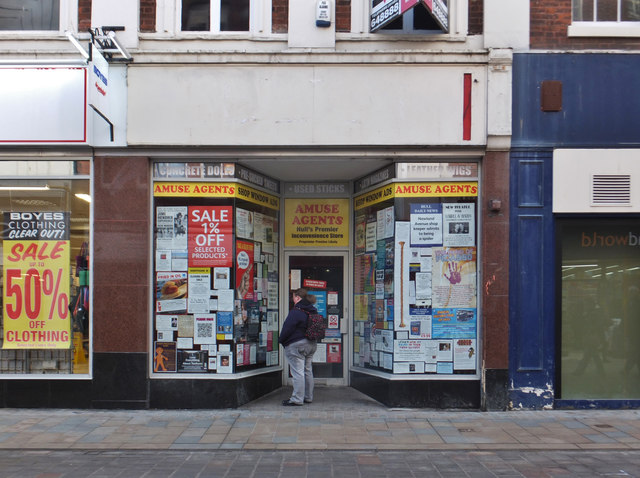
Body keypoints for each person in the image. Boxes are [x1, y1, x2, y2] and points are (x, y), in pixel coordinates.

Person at [279, 288, 318, 406]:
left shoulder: (296, 311)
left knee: (298, 372)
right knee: (307, 370)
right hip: (311, 344)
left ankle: (297, 399)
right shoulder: (313, 310)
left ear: (297, 298)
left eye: (293, 297)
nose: (292, 299)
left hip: (297, 345)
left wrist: (281, 340)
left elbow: (287, 328)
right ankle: (308, 397)